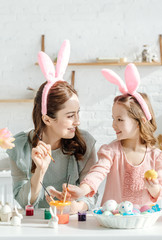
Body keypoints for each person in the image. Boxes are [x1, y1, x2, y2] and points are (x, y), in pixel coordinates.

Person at [6, 40, 97, 213]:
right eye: (70, 116)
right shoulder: (19, 147)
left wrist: (75, 206)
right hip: (36, 227)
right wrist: (39, 171)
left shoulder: (86, 143)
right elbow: (24, 203)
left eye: (78, 113)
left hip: (74, 223)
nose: (77, 121)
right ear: (47, 119)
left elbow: (91, 194)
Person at [66, 63, 162, 206]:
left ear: (139, 121)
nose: (113, 125)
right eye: (113, 119)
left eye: (120, 120)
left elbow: (161, 192)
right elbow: (98, 172)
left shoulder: (157, 158)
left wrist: (154, 188)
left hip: (143, 223)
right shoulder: (111, 152)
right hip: (113, 222)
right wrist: (82, 190)